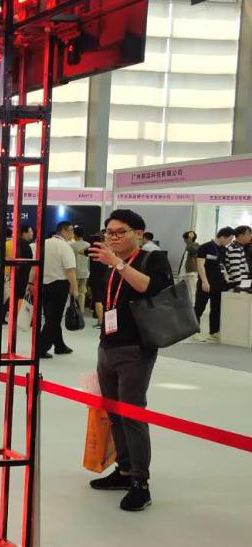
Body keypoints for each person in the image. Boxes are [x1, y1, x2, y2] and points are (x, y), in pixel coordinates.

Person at [87, 209, 173, 512]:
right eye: (109, 232)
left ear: (139, 233)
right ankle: (124, 470)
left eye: (120, 232)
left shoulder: (153, 259)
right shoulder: (107, 261)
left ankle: (140, 483)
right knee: (114, 413)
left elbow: (149, 287)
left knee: (132, 414)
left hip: (137, 348)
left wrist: (117, 263)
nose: (113, 237)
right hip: (108, 344)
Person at [35, 221, 79, 359]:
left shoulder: (44, 243)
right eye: (71, 230)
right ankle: (41, 348)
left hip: (44, 284)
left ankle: (59, 345)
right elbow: (70, 270)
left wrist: (31, 282)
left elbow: (35, 265)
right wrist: (75, 289)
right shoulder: (65, 246)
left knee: (51, 317)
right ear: (63, 231)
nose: (72, 233)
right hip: (59, 285)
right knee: (53, 319)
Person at [194, 227, 234, 342]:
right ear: (222, 237)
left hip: (219, 283)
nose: (230, 242)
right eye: (229, 239)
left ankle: (214, 332)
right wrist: (204, 281)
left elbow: (222, 265)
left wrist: (226, 277)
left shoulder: (223, 249)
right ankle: (195, 331)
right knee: (199, 307)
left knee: (216, 308)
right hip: (206, 282)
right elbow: (200, 265)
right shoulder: (205, 247)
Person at [69, 225, 91, 309]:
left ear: (75, 234)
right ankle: (81, 311)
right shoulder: (88, 245)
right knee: (82, 293)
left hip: (74, 273)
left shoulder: (71, 246)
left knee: (73, 292)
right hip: (85, 272)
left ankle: (73, 311)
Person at [177, 230, 199, 295]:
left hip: (191, 273)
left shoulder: (196, 246)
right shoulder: (188, 247)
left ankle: (194, 302)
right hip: (184, 273)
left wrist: (190, 239)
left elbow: (191, 249)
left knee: (192, 292)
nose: (184, 240)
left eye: (185, 239)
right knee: (184, 293)